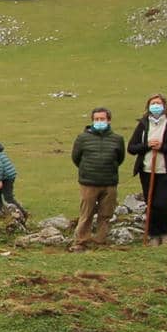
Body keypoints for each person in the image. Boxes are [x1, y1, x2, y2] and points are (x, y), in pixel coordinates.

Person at [126, 94, 167, 245]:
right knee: (151, 203)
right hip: (147, 170)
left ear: (164, 106)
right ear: (148, 107)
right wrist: (147, 145)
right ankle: (154, 236)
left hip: (166, 171)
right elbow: (132, 147)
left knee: (160, 203)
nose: (155, 106)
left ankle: (164, 233)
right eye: (152, 103)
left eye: (158, 103)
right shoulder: (143, 125)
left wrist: (163, 147)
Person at [70, 107, 127, 250]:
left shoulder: (117, 139)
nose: (99, 121)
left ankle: (100, 240)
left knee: (106, 213)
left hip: (109, 182)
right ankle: (81, 240)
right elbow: (76, 158)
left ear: (108, 120)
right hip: (89, 182)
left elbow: (120, 158)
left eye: (102, 119)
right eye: (96, 119)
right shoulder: (82, 138)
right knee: (86, 213)